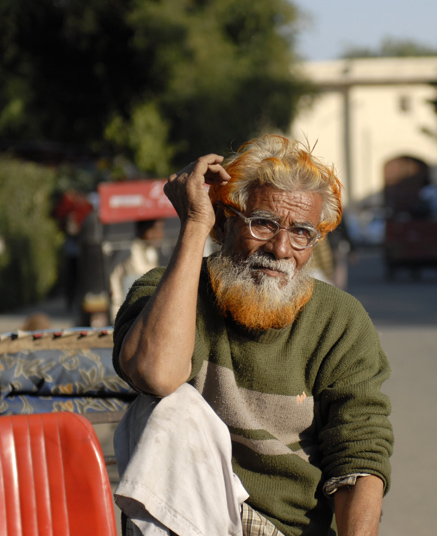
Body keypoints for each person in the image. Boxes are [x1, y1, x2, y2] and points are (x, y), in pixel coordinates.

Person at [112, 135, 393, 536]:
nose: (280, 248)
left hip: (289, 528)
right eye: (262, 223)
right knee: (168, 408)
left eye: (301, 233)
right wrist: (194, 224)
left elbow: (360, 451)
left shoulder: (340, 320)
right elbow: (155, 373)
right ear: (225, 224)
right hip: (190, 520)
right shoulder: (163, 291)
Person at [108, 219, 165, 321]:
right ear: (143, 229)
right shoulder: (130, 251)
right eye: (155, 229)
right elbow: (115, 279)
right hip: (129, 307)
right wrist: (117, 309)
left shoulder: (152, 252)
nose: (159, 235)